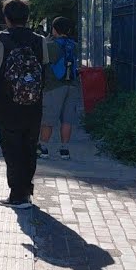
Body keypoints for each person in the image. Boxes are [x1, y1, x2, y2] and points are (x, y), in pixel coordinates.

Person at [0, 0, 48, 209]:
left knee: (11, 148)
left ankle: (17, 196)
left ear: (6, 18)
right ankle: (26, 191)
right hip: (34, 105)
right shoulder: (39, 40)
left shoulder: (1, 39)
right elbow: (43, 64)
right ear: (27, 18)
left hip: (7, 106)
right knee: (29, 147)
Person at [39, 16, 82, 161]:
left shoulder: (50, 45)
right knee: (67, 120)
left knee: (48, 119)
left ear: (54, 29)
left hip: (54, 86)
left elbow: (42, 61)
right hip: (73, 86)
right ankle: (64, 150)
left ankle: (43, 148)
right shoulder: (74, 45)